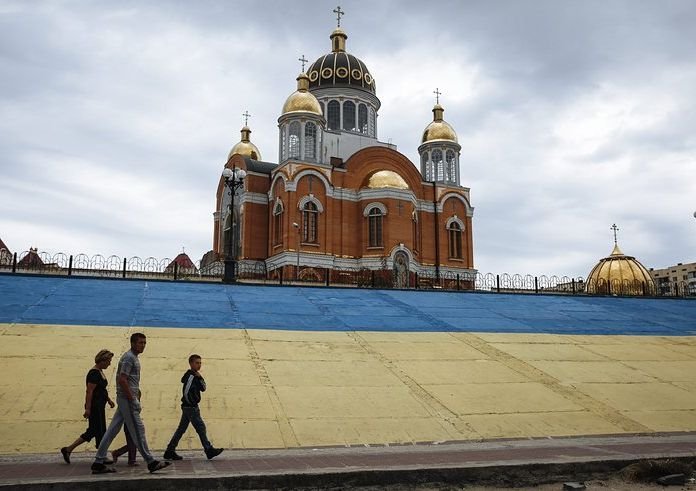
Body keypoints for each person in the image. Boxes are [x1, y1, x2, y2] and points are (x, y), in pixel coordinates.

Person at [90, 333, 170, 474]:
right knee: (138, 430)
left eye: (144, 343)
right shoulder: (129, 358)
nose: (143, 345)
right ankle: (150, 462)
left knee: (112, 430)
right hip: (127, 400)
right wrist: (132, 399)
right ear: (133, 343)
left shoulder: (132, 358)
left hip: (125, 399)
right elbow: (122, 380)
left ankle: (98, 461)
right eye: (140, 342)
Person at [163, 354, 223, 461]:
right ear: (191, 363)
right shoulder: (190, 376)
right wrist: (190, 402)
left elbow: (204, 388)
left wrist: (200, 377)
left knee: (181, 429)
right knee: (201, 427)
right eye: (196, 363)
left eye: (200, 363)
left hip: (189, 407)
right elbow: (186, 391)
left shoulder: (196, 376)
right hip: (191, 407)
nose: (199, 365)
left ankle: (170, 451)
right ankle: (208, 449)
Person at [60, 349, 116, 464]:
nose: (110, 363)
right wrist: (88, 408)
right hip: (95, 407)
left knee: (97, 431)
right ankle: (100, 455)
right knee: (96, 430)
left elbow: (101, 390)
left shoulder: (99, 371)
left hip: (100, 406)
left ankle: (70, 449)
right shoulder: (94, 373)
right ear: (102, 360)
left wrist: (108, 400)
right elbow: (90, 391)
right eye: (108, 361)